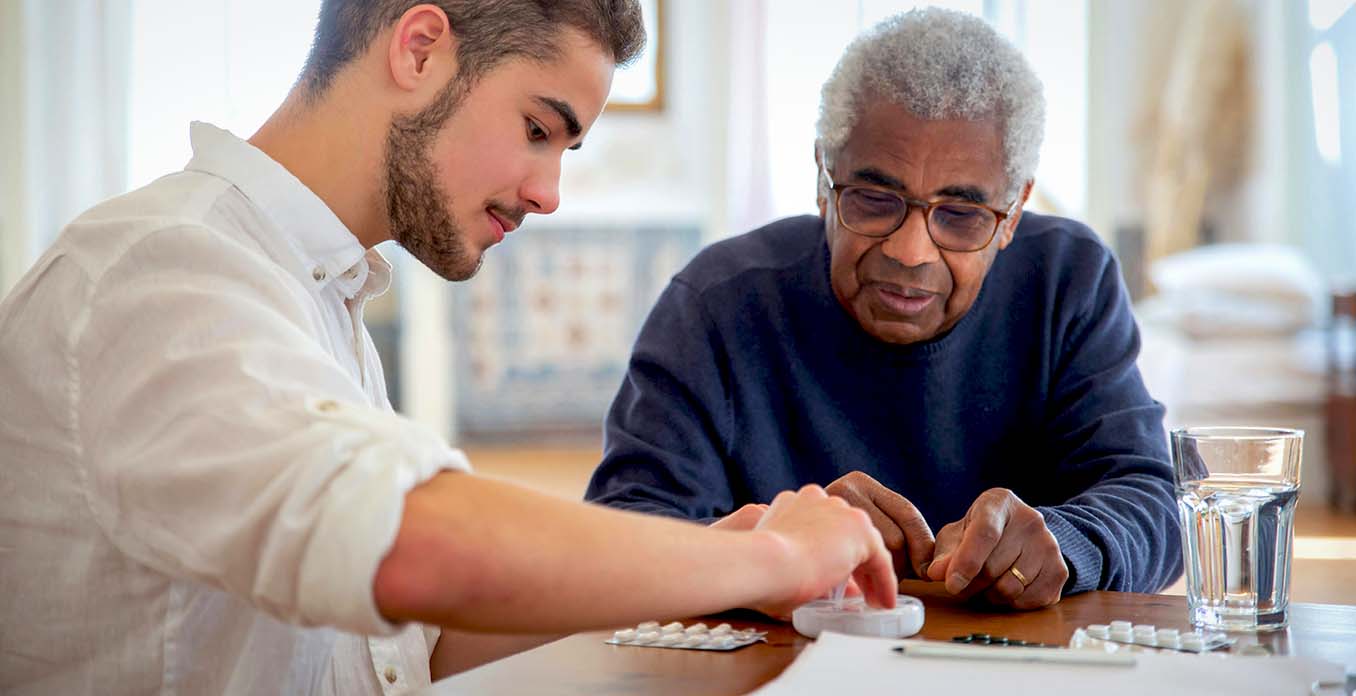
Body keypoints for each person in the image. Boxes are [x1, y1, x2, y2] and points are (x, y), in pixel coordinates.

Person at [0, 2, 898, 693]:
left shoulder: (316, 295)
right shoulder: (159, 270)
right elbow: (409, 545)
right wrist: (771, 558)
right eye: (539, 130)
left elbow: (406, 635)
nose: (550, 193)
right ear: (419, 47)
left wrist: (703, 566)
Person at [587, 7, 1183, 611]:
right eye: (874, 200)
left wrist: (1067, 539)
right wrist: (780, 543)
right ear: (823, 178)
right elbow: (623, 539)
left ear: (1013, 211)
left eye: (961, 215)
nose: (909, 250)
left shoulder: (1068, 281)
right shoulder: (717, 304)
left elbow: (1153, 503)